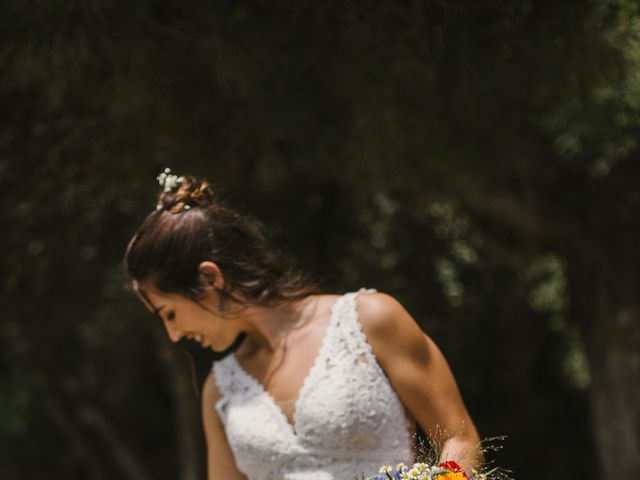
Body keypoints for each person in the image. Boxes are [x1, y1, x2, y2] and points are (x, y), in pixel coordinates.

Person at [124, 169, 482, 480]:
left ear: (208, 279)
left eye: (169, 313)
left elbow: (461, 439)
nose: (173, 335)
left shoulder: (371, 320)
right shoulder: (219, 389)